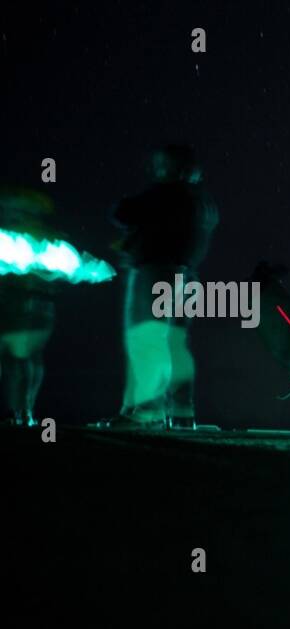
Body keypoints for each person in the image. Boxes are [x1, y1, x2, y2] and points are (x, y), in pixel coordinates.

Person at [108, 144, 218, 428]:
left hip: (155, 273)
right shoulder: (203, 202)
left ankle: (147, 410)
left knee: (146, 339)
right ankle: (182, 412)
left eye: (162, 163)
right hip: (187, 276)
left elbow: (123, 212)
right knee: (176, 344)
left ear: (172, 166)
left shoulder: (165, 194)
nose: (156, 168)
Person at [0, 188, 58, 427]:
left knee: (23, 357)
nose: (11, 213)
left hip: (28, 302)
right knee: (22, 358)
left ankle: (23, 412)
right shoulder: (39, 236)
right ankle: (23, 412)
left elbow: (51, 272)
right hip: (25, 302)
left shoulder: (40, 238)